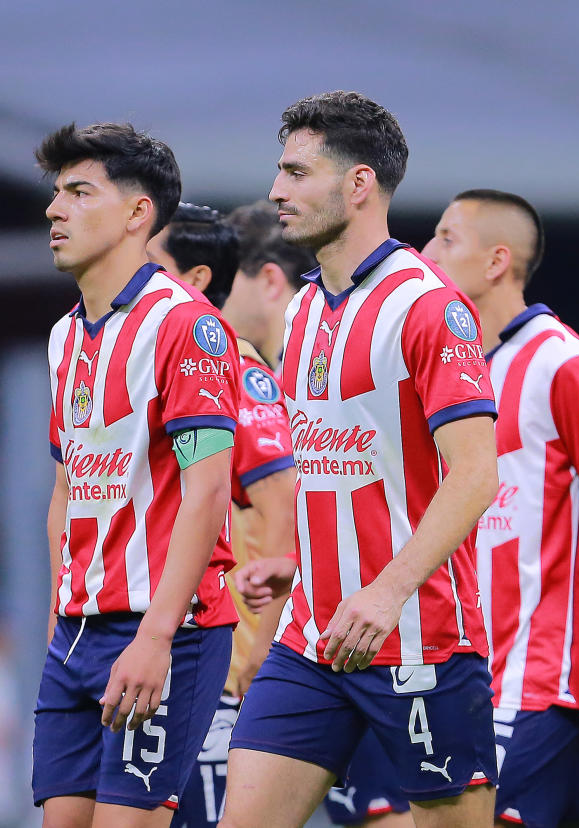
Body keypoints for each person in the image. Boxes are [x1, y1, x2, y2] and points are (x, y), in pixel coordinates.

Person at [222, 91, 500, 828]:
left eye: (297, 172)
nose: (277, 190)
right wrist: (303, 563)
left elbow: (477, 475)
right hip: (311, 644)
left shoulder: (427, 307)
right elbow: (335, 468)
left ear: (358, 183)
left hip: (420, 639)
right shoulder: (306, 310)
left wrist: (384, 592)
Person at [33, 122, 239, 828]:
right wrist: (60, 611)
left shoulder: (187, 325)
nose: (55, 210)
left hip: (164, 628)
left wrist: (154, 637)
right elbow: (67, 484)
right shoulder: (65, 336)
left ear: (136, 213)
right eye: (55, 194)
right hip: (77, 634)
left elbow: (208, 490)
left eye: (78, 192)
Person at [423, 189, 579, 828]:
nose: (425, 254)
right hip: (476, 673)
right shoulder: (461, 373)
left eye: (446, 239)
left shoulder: (563, 363)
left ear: (497, 262)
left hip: (538, 678)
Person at [225, 203, 412, 828]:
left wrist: (259, 639)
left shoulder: (277, 375)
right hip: (312, 637)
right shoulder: (290, 367)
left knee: (382, 814)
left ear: (269, 280)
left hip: (381, 634)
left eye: (228, 282)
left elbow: (292, 503)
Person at [144, 203, 297, 828]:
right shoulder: (164, 360)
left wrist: (262, 648)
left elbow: (281, 493)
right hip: (177, 652)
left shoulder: (233, 364)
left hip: (225, 660)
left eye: (152, 266)